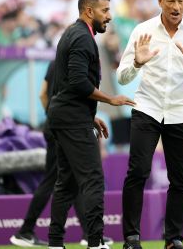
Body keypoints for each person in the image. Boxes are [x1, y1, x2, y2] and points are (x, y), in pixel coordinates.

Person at [116, 0, 183, 248]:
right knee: (137, 172)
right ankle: (131, 237)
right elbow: (122, 77)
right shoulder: (143, 30)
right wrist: (137, 62)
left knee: (181, 179)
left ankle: (173, 239)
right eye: (171, 1)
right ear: (160, 1)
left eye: (181, 1)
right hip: (147, 108)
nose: (176, 6)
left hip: (181, 112)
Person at [47, 0, 135, 249]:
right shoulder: (83, 38)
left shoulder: (72, 33)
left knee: (67, 183)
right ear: (89, 11)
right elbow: (77, 83)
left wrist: (91, 115)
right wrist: (110, 100)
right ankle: (96, 242)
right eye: (105, 10)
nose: (109, 16)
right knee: (93, 179)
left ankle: (54, 243)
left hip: (66, 116)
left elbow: (64, 85)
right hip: (71, 119)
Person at [10, 61, 113, 247]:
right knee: (55, 180)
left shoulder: (55, 63)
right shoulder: (77, 66)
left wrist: (51, 115)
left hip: (57, 123)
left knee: (70, 180)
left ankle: (86, 233)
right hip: (65, 126)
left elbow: (43, 94)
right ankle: (25, 230)